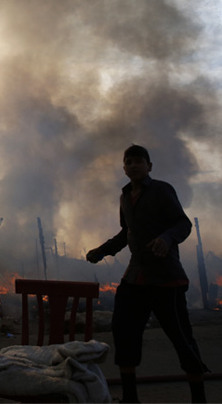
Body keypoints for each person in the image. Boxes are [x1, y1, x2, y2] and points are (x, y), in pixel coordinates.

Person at [86, 145, 208, 403]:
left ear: (149, 166)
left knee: (181, 337)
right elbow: (126, 233)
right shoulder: (125, 197)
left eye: (138, 161)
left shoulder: (162, 190)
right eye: (128, 162)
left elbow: (182, 223)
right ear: (124, 168)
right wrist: (103, 250)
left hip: (166, 278)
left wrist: (167, 238)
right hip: (135, 277)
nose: (133, 166)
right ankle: (130, 398)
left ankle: (199, 398)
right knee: (124, 331)